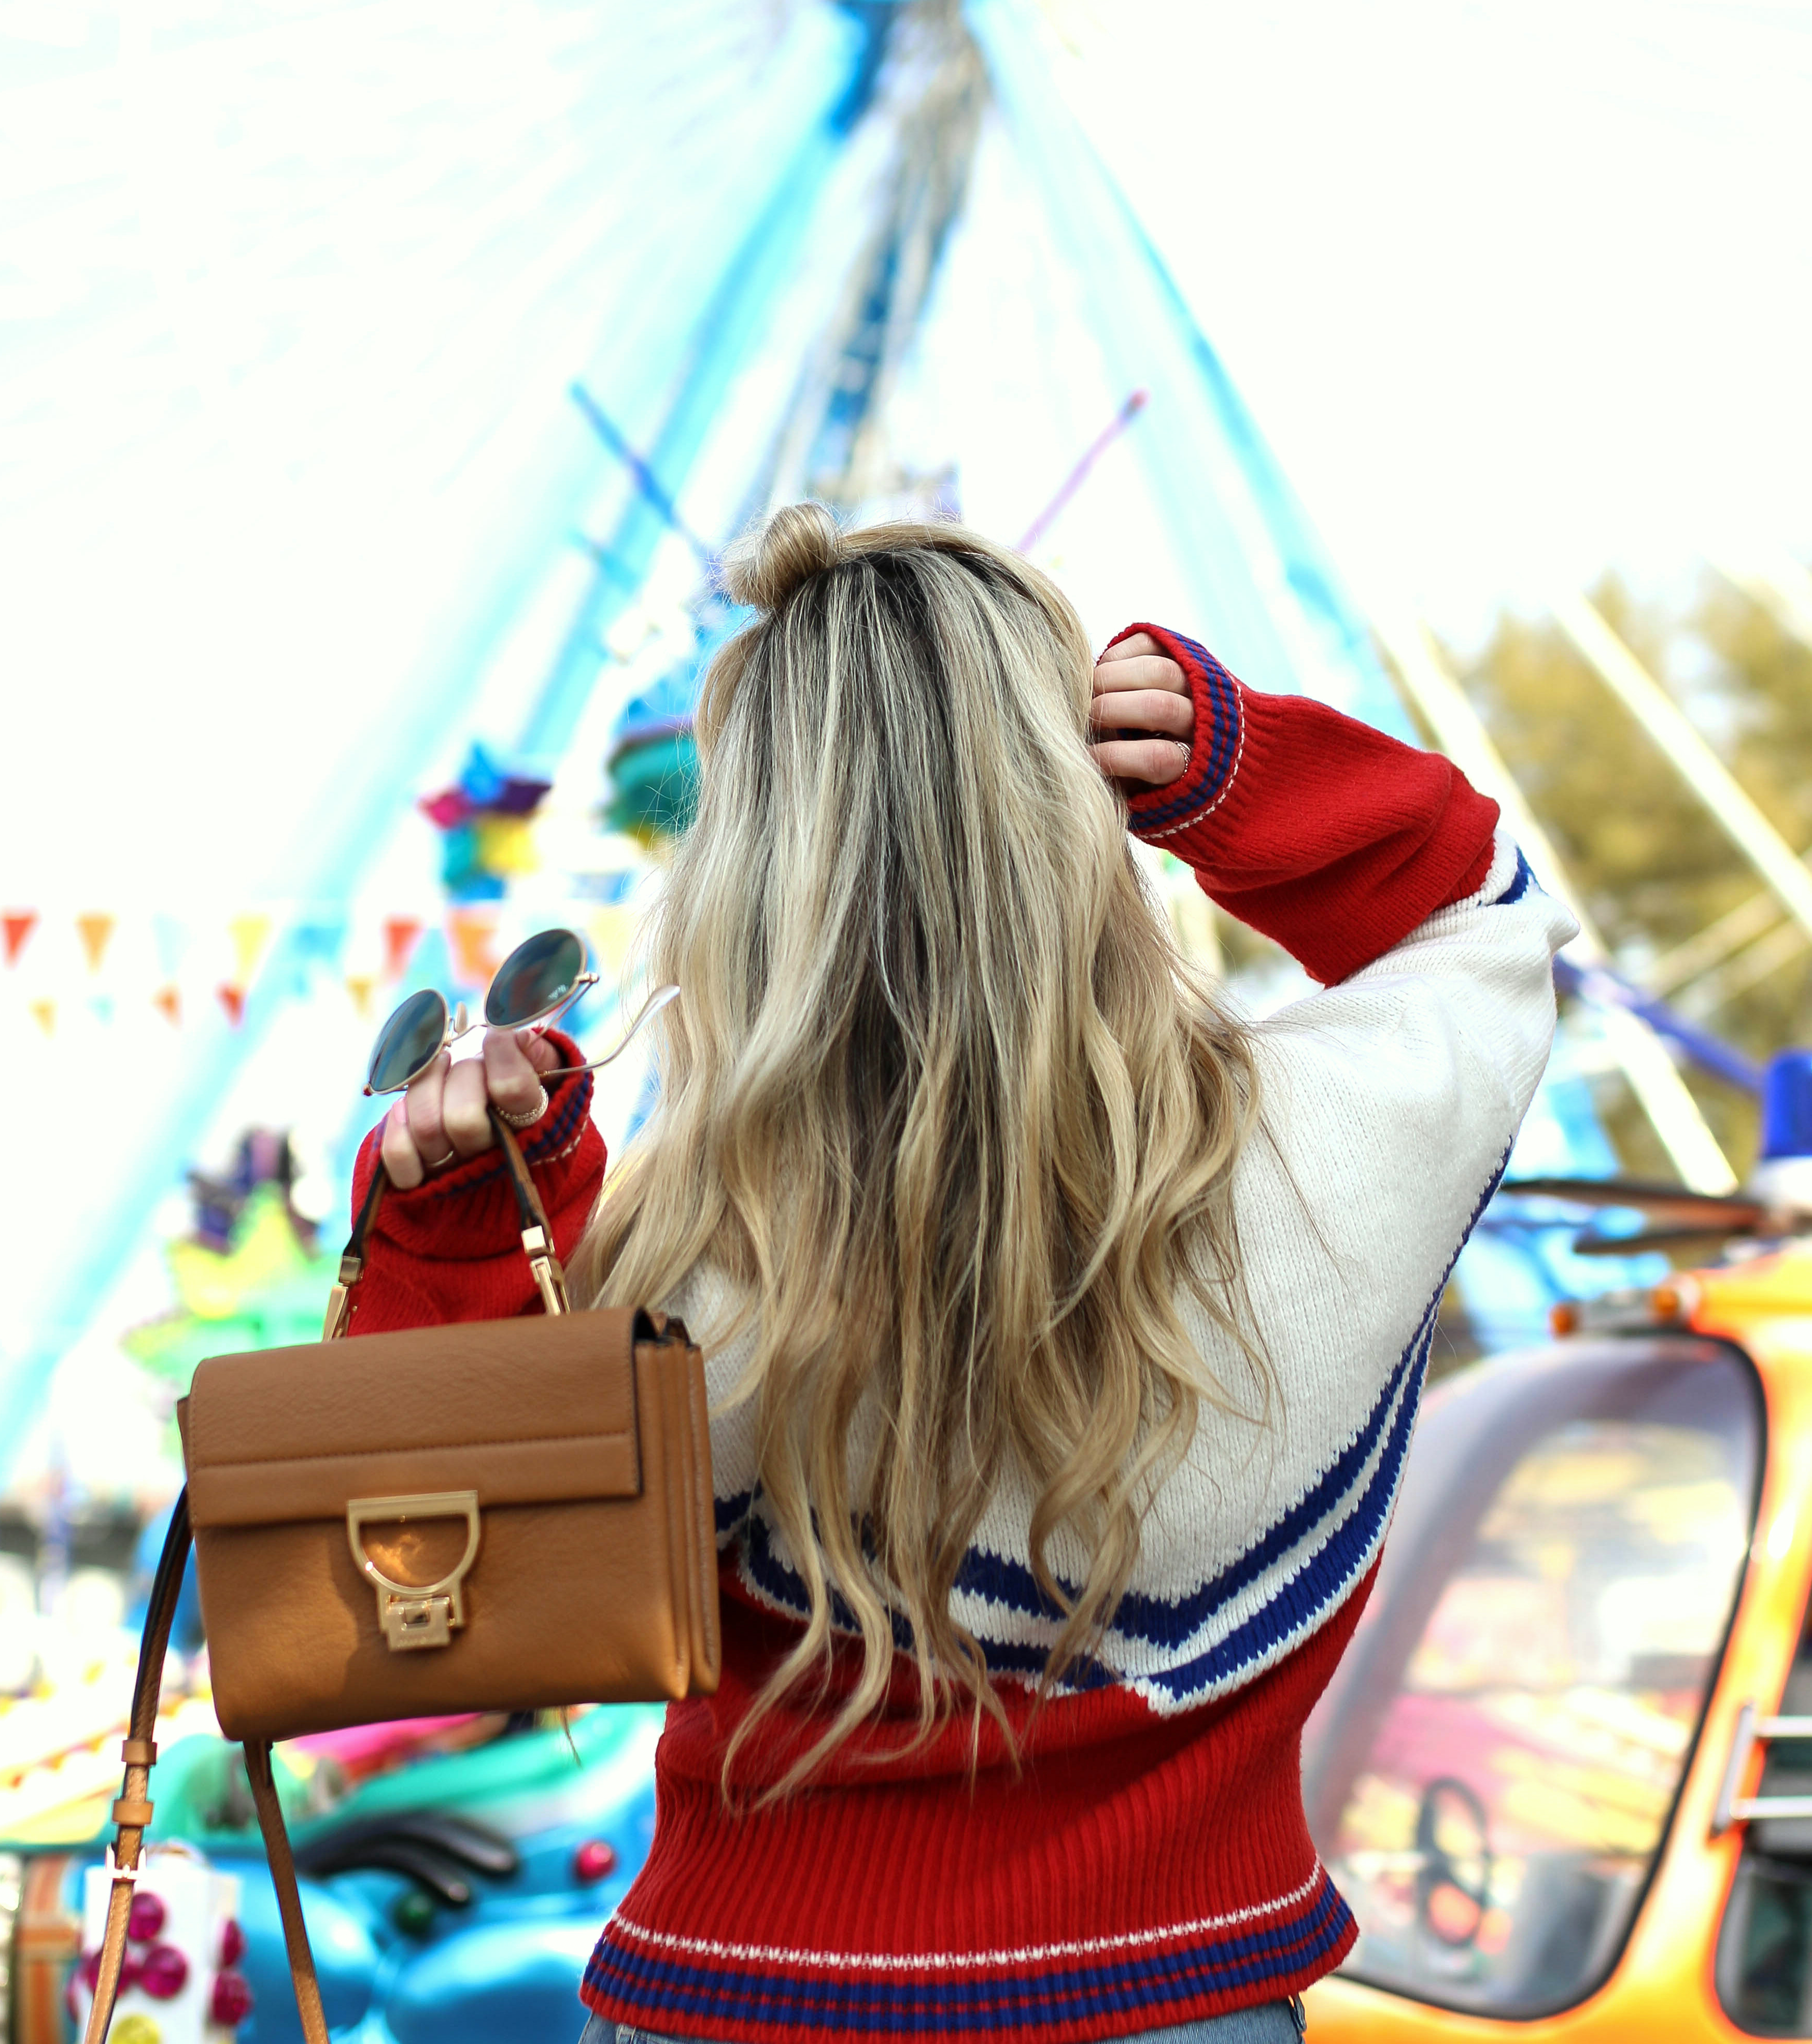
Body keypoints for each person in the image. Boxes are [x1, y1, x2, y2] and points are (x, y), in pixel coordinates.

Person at [351, 505, 1574, 2042]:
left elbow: (425, 1576)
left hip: (737, 1995)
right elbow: (1483, 923)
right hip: (1179, 1992)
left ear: (746, 871)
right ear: (1075, 811)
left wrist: (457, 1219)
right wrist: (1244, 772)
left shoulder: (659, 1266)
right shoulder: (1323, 1163)